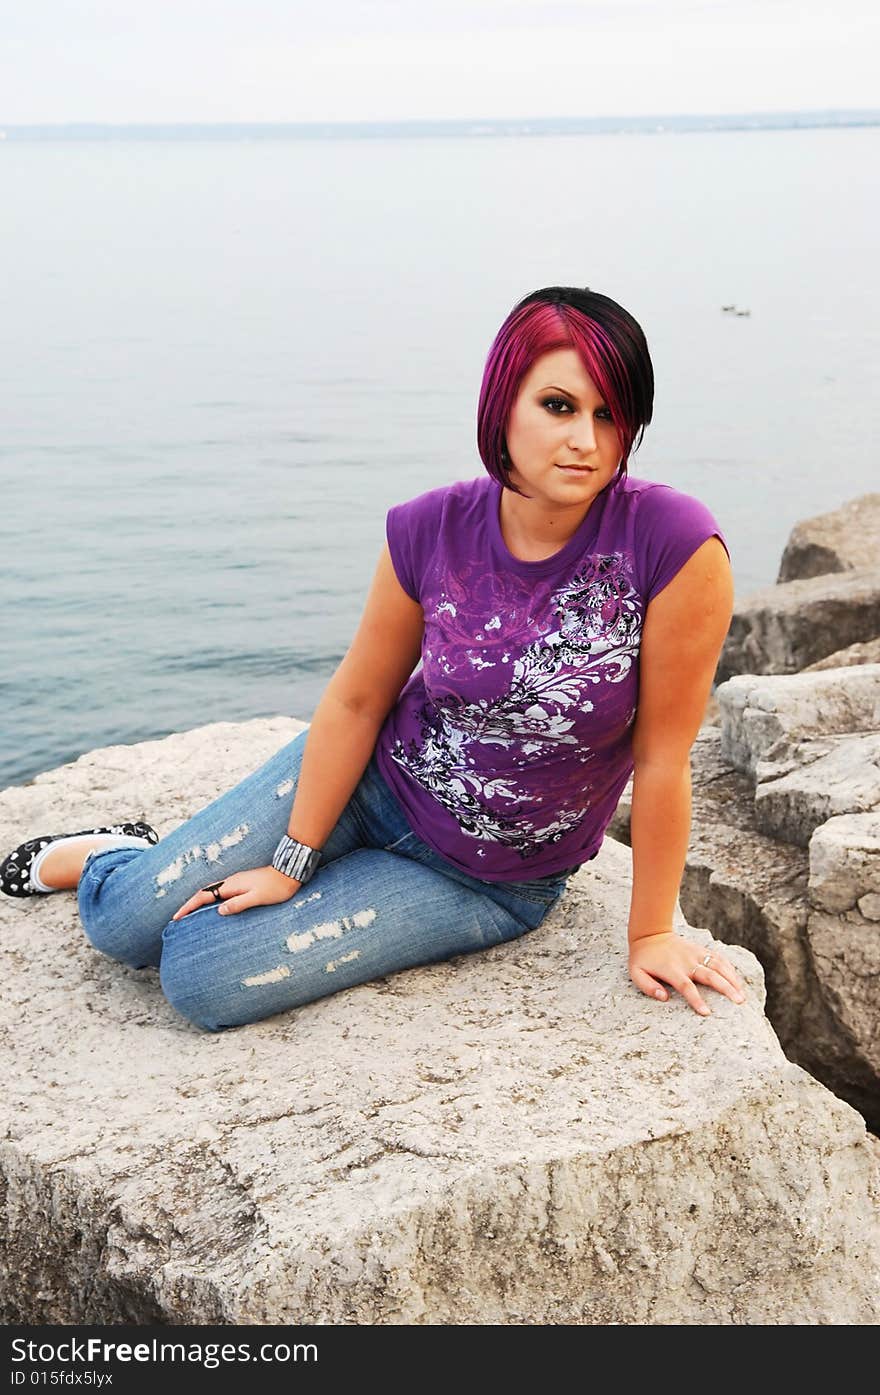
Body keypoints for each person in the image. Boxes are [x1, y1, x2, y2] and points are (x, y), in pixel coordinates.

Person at [1, 285, 744, 1028]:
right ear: (503, 403)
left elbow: (663, 757)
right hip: (371, 780)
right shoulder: (429, 529)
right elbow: (359, 700)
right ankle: (114, 852)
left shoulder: (673, 547)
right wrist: (296, 856)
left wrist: (650, 931)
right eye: (559, 405)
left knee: (196, 974)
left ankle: (291, 873)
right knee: (122, 924)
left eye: (611, 414)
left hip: (488, 881)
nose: (586, 438)